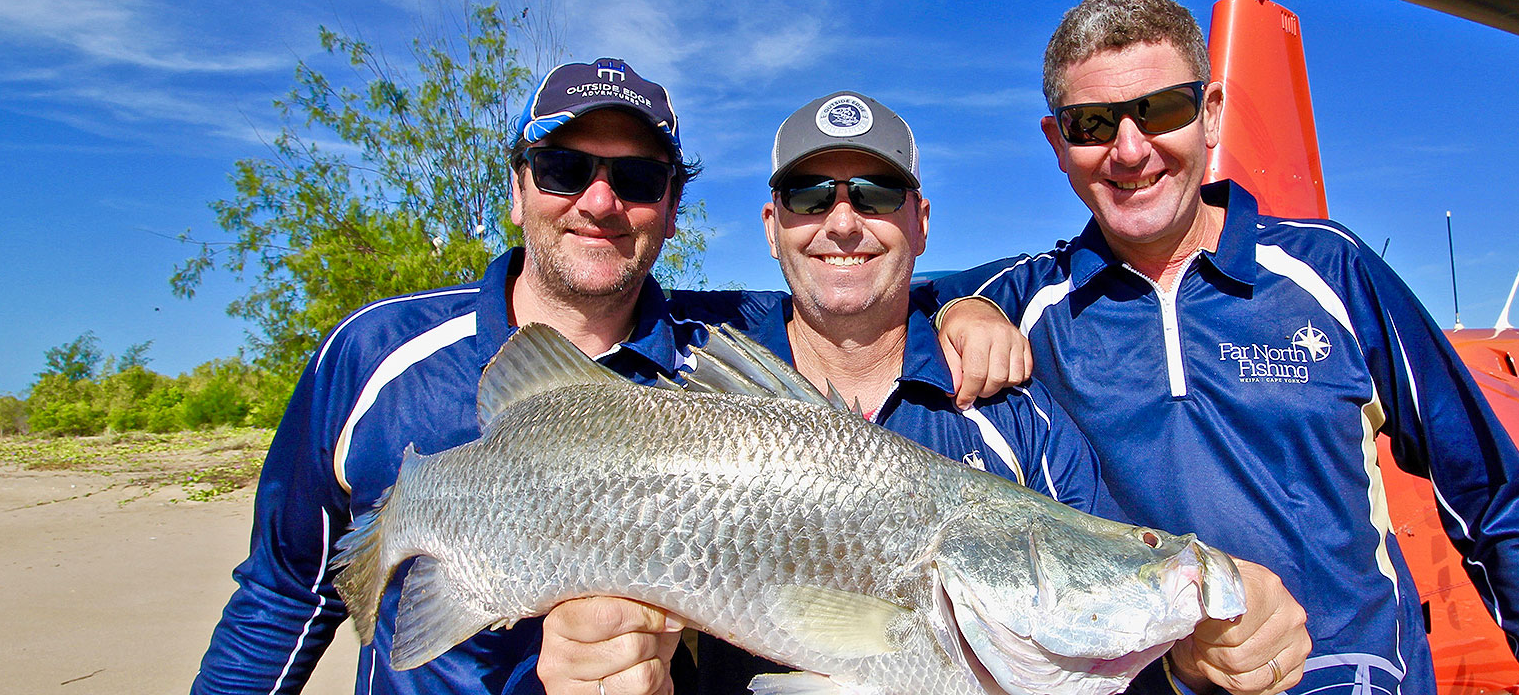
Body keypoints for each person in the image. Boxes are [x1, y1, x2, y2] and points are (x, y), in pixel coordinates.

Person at [932, 0, 1519, 695]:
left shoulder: (1332, 273)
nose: (1130, 151)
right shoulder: (1030, 297)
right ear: (1057, 143)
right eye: (1093, 123)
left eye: (1162, 110)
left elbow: (1499, 496)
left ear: (1212, 114)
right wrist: (957, 311)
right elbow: (868, 301)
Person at [524, 92, 1311, 695]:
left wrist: (1197, 656)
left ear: (922, 222)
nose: (842, 221)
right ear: (771, 225)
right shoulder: (687, 389)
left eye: (874, 193)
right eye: (809, 196)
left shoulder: (1019, 421)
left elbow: (1099, 626)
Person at [191, 58, 712, 695]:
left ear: (672, 207)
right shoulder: (373, 354)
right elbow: (286, 592)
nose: (600, 202)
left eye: (637, 178)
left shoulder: (716, 374)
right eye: (562, 170)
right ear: (518, 191)